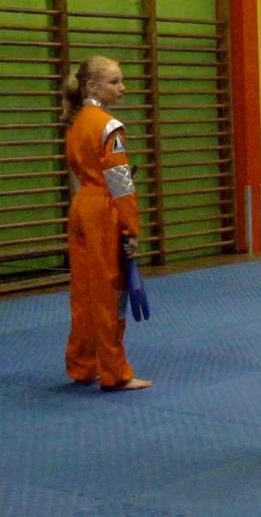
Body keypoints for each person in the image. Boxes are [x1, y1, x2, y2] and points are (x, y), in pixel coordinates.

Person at [61, 56, 151, 392]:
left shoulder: (76, 122)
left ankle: (82, 364)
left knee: (84, 292)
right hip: (102, 210)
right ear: (91, 86)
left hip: (81, 206)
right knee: (108, 293)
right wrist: (131, 228)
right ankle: (115, 372)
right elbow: (121, 184)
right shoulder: (109, 127)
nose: (122, 87)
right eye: (114, 81)